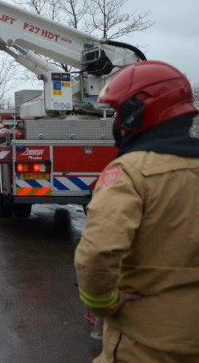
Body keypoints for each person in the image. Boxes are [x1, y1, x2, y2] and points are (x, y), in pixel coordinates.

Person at [74, 61, 199, 363]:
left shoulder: (130, 173)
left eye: (118, 114)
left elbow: (97, 255)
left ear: (136, 114)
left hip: (147, 343)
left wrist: (105, 303)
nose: (117, 123)